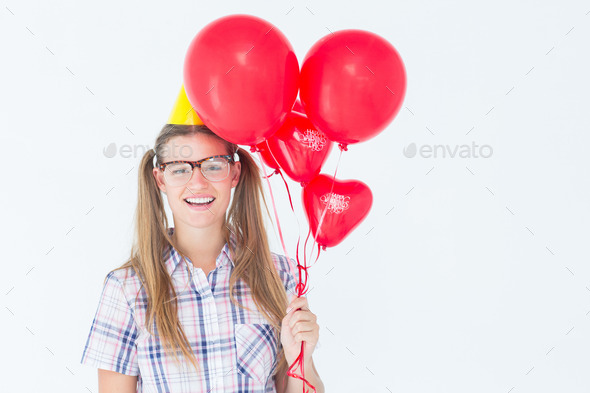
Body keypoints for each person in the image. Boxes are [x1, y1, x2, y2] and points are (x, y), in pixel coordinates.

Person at [79, 87, 325, 393]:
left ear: (234, 173)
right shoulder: (127, 289)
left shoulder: (280, 276)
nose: (197, 183)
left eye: (213, 166)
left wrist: (302, 358)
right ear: (160, 180)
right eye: (180, 169)